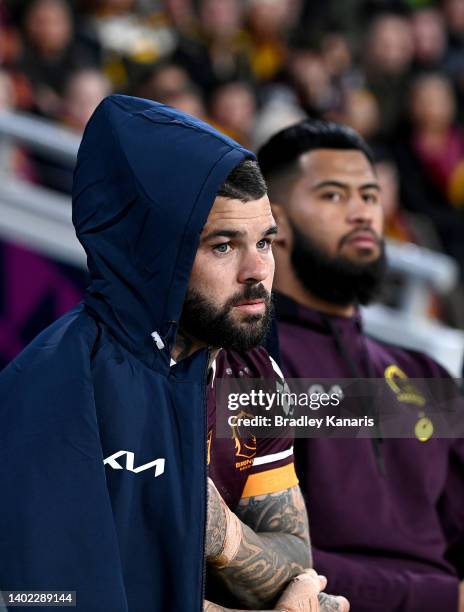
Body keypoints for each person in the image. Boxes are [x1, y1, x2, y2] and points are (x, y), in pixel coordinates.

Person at [0, 96, 347, 612]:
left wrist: (216, 530)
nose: (258, 271)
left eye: (266, 242)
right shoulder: (61, 379)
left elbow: (296, 561)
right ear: (159, 254)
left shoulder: (253, 374)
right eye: (224, 246)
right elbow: (37, 597)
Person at [257, 119, 464, 612]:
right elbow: (253, 553)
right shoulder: (249, 364)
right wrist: (440, 600)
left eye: (370, 197)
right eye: (333, 196)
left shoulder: (425, 375)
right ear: (276, 221)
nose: (361, 213)